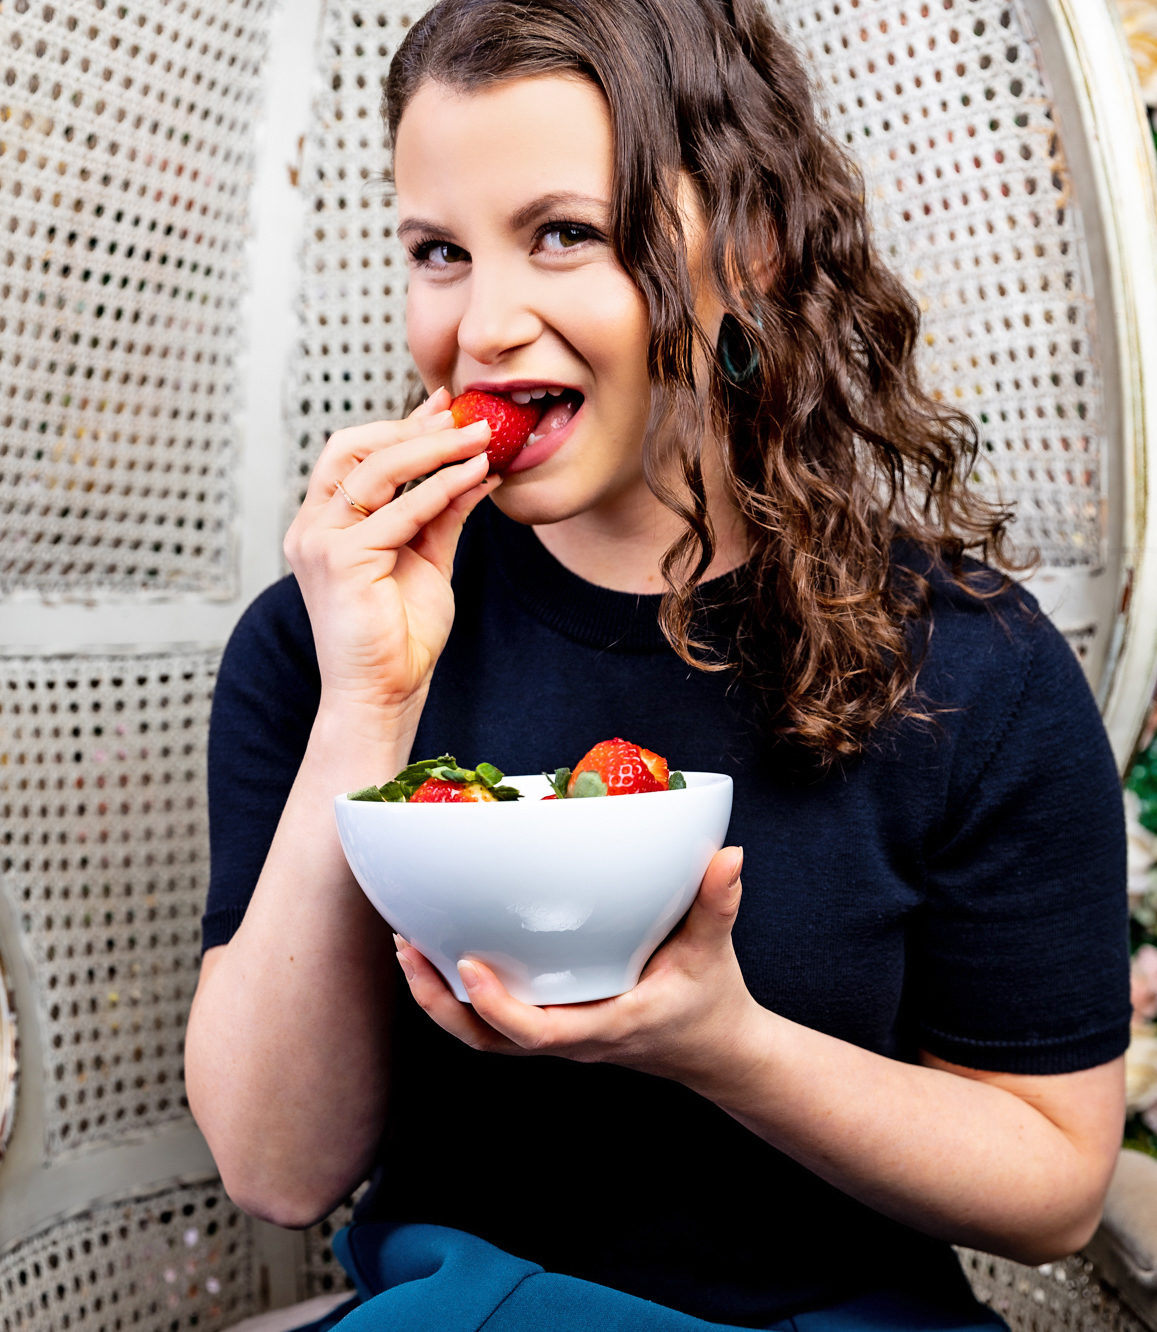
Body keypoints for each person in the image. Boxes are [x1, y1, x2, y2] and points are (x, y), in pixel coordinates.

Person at [185, 0, 1131, 1327]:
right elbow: (277, 1169)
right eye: (440, 251)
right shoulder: (321, 638)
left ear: (737, 250)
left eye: (563, 233)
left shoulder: (970, 663)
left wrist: (723, 1047)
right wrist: (367, 701)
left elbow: (1052, 1186)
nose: (485, 325)